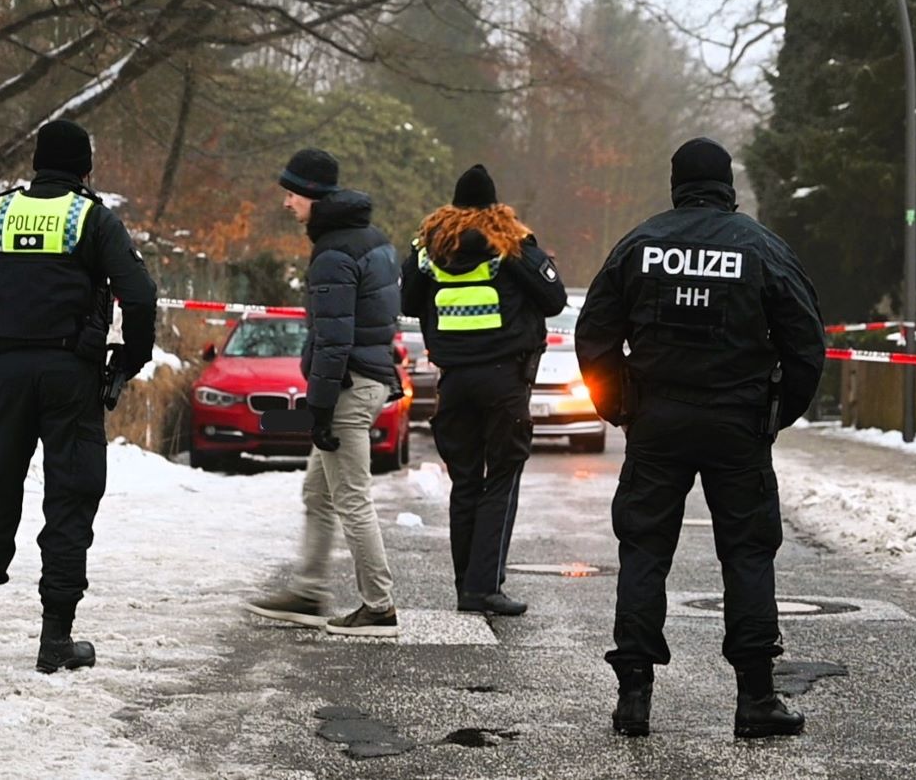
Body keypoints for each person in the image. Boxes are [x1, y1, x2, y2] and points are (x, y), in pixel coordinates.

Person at [575, 137, 826, 739]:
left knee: (643, 549)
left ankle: (633, 696)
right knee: (746, 552)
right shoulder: (762, 249)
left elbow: (595, 334)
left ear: (676, 183)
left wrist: (619, 407)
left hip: (657, 421)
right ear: (728, 185)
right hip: (737, 425)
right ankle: (756, 698)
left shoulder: (639, 245)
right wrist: (775, 415)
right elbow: (806, 344)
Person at [0, 119, 158, 673]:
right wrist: (129, 358)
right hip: (71, 375)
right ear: (85, 168)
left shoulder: (2, 213)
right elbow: (140, 293)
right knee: (70, 497)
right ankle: (55, 638)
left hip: (9, 371)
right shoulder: (92, 218)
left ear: (36, 164)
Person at [246, 148, 404, 638]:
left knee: (351, 498)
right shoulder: (371, 239)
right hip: (368, 379)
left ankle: (378, 607)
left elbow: (334, 338)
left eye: (291, 195)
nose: (287, 204)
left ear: (313, 195)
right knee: (318, 492)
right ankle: (310, 589)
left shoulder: (334, 252)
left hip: (348, 388)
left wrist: (318, 406)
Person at [402, 165, 567, 616]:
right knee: (503, 477)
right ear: (496, 207)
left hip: (453, 382)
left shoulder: (429, 249)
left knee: (466, 482)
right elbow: (554, 299)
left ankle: (466, 587)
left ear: (452, 207)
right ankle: (484, 586)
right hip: (504, 382)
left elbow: (406, 301)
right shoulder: (510, 244)